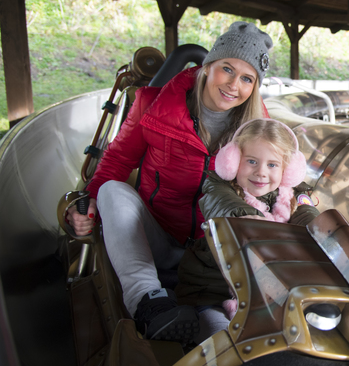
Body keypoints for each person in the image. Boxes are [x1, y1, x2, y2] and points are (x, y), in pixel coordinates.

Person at [65, 21, 273, 344]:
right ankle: (148, 302)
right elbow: (118, 160)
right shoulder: (153, 105)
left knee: (217, 334)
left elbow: (273, 182)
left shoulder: (258, 127)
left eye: (247, 78)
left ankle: (212, 322)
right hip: (156, 237)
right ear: (208, 66)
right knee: (111, 191)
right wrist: (88, 201)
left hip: (210, 254)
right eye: (227, 69)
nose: (234, 85)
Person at [176, 118, 320, 342]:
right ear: (232, 162)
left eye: (272, 165)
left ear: (288, 170)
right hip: (213, 290)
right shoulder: (218, 187)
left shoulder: (293, 197)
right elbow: (223, 205)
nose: (261, 172)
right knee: (223, 339)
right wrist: (249, 221)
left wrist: (321, 233)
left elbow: (309, 217)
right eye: (251, 161)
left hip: (266, 296)